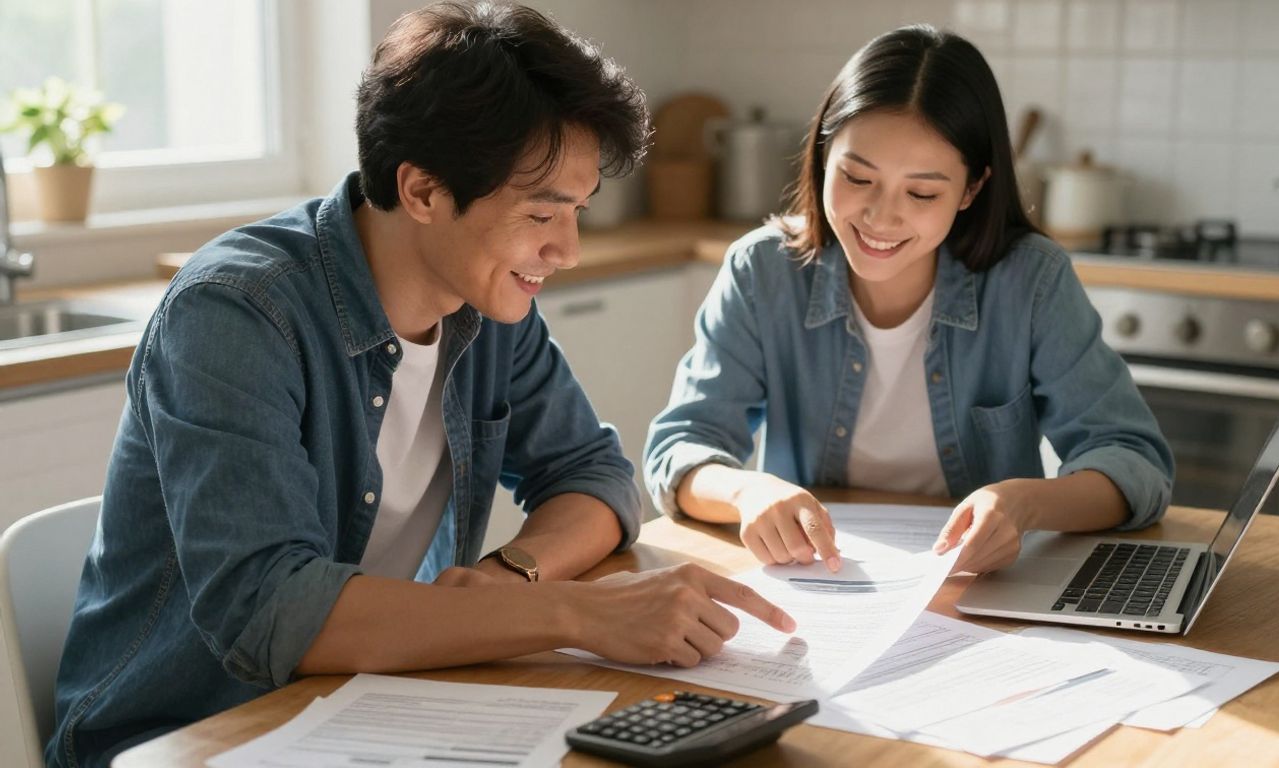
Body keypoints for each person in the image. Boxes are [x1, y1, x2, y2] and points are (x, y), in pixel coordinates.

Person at [47, 4, 793, 766]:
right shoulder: (237, 313)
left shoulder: (489, 302)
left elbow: (595, 477)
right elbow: (270, 610)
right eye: (543, 213)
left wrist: (512, 578)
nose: (566, 250)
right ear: (425, 192)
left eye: (578, 212)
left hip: (371, 707)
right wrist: (569, 612)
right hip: (190, 736)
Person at [644, 25, 1174, 579]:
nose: (881, 217)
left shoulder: (1031, 281)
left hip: (975, 595)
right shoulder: (762, 270)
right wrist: (746, 491)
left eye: (922, 193)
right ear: (824, 156)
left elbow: (1134, 461)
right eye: (856, 176)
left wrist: (1026, 504)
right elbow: (679, 449)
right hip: (818, 586)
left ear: (971, 190)